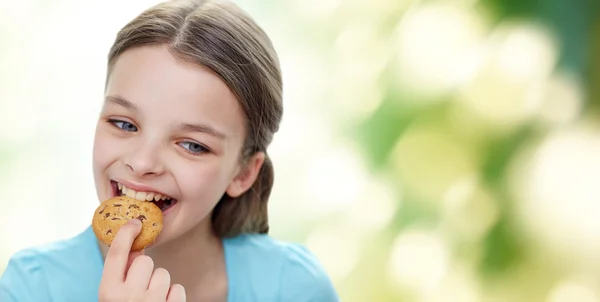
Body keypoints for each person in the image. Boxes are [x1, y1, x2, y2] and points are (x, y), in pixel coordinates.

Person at [0, 0, 339, 301]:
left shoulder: (295, 288)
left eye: (192, 145)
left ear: (244, 172)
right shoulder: (32, 288)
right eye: (124, 124)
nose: (142, 163)